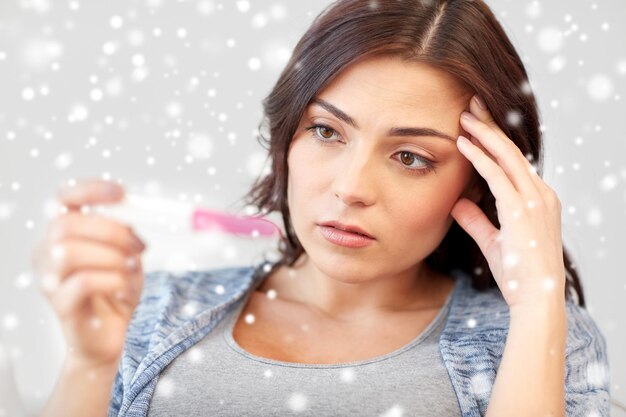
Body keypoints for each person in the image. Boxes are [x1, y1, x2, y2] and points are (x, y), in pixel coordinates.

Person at [31, 0, 610, 416]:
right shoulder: (150, 312)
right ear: (287, 136)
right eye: (328, 132)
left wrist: (537, 308)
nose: (351, 187)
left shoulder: (539, 338)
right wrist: (89, 365)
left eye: (410, 156)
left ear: (483, 182)